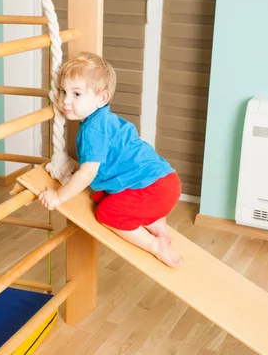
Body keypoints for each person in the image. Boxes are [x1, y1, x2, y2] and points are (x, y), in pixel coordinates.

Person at [38, 52, 184, 267]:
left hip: (154, 189)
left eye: (76, 94)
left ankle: (155, 245)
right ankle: (156, 224)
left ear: (101, 98)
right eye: (63, 91)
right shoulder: (104, 119)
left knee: (107, 214)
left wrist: (58, 197)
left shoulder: (93, 129)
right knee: (99, 195)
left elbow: (87, 173)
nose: (66, 101)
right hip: (163, 182)